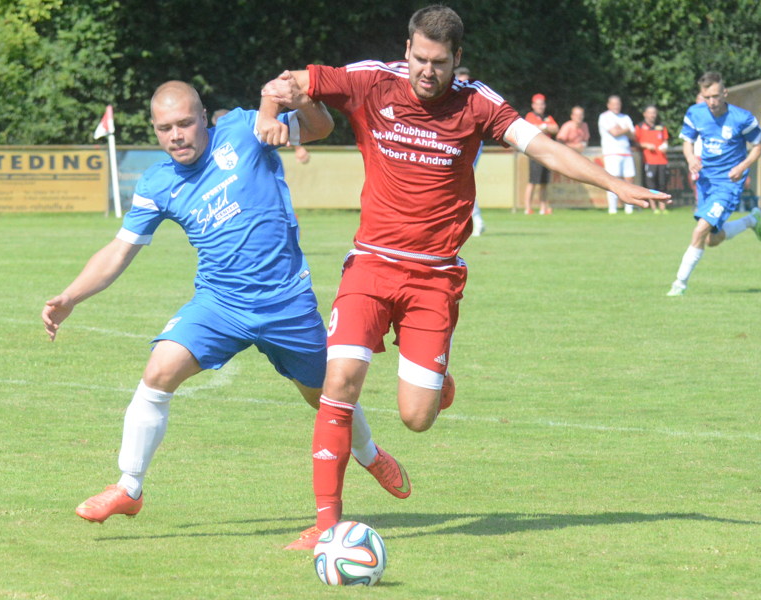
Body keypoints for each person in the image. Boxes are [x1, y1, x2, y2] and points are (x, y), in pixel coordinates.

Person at [259, 4, 668, 549]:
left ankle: (438, 382)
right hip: (371, 265)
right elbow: (286, 83)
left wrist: (614, 184)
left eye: (439, 62)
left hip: (435, 279)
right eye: (419, 59)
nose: (427, 71)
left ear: (458, 59)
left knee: (417, 417)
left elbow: (543, 147)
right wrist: (268, 111)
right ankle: (326, 524)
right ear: (407, 50)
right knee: (339, 385)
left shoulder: (478, 104)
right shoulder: (370, 82)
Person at [42, 81, 405, 524]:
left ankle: (369, 454)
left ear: (204, 117)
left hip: (286, 303)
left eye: (184, 123)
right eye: (165, 129)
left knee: (328, 395)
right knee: (158, 371)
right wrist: (71, 296)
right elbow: (119, 251)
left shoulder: (244, 130)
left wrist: (301, 102)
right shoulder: (157, 183)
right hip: (220, 304)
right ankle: (128, 487)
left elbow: (319, 128)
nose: (176, 136)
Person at [667, 72, 761, 297]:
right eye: (707, 97)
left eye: (715, 96)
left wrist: (743, 166)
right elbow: (688, 141)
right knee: (711, 239)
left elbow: (759, 146)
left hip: (729, 184)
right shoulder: (695, 113)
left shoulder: (742, 118)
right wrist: (690, 159)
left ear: (725, 93)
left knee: (700, 229)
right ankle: (751, 220)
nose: (711, 102)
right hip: (706, 182)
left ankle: (679, 284)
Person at [454, 66, 485, 235]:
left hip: (470, 147)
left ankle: (476, 221)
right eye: (460, 82)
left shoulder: (473, 102)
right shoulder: (449, 102)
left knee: (462, 183)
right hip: (454, 147)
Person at [598, 95, 637, 214]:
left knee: (629, 178)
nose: (616, 106)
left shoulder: (625, 117)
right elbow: (614, 132)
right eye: (613, 104)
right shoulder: (604, 117)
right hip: (612, 153)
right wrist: (626, 130)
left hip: (626, 152)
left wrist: (623, 130)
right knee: (613, 179)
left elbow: (633, 135)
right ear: (608, 105)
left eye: (618, 104)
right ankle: (613, 208)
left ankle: (629, 207)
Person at [522, 93, 559, 215]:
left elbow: (555, 128)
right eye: (538, 104)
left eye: (542, 104)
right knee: (533, 181)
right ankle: (528, 208)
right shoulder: (530, 116)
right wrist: (546, 127)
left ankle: (543, 208)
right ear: (533, 105)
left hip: (546, 151)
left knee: (544, 182)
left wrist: (542, 127)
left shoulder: (547, 117)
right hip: (535, 151)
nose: (540, 106)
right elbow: (531, 128)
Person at [634, 104, 670, 213]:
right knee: (651, 185)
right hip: (649, 160)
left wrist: (665, 146)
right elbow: (635, 142)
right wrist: (645, 145)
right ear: (645, 114)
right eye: (650, 113)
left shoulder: (661, 126)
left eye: (654, 112)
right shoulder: (639, 126)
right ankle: (654, 208)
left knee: (662, 184)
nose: (652, 115)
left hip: (662, 160)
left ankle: (663, 208)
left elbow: (665, 140)